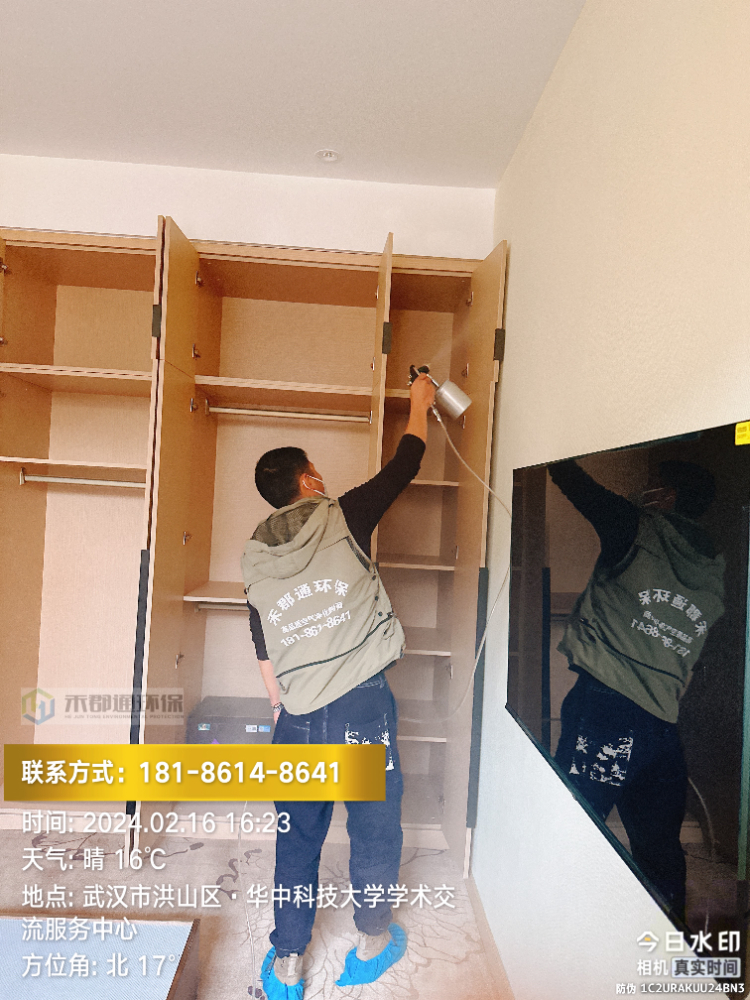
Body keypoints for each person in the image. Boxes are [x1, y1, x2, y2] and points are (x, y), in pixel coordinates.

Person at [240, 373, 436, 999]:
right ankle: (372, 942)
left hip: (297, 713)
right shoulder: (345, 515)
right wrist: (420, 402)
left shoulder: (256, 555)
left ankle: (287, 964)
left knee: (296, 837)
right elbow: (405, 463)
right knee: (374, 826)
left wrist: (281, 707)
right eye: (314, 471)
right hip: (361, 704)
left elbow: (262, 637)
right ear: (308, 481)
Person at [549, 458, 725, 919]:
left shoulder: (634, 529)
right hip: (661, 726)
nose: (644, 492)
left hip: (606, 714)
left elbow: (569, 478)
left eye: (653, 485)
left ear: (667, 496)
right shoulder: (712, 565)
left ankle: (556, 929)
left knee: (576, 825)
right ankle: (666, 938)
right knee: (659, 847)